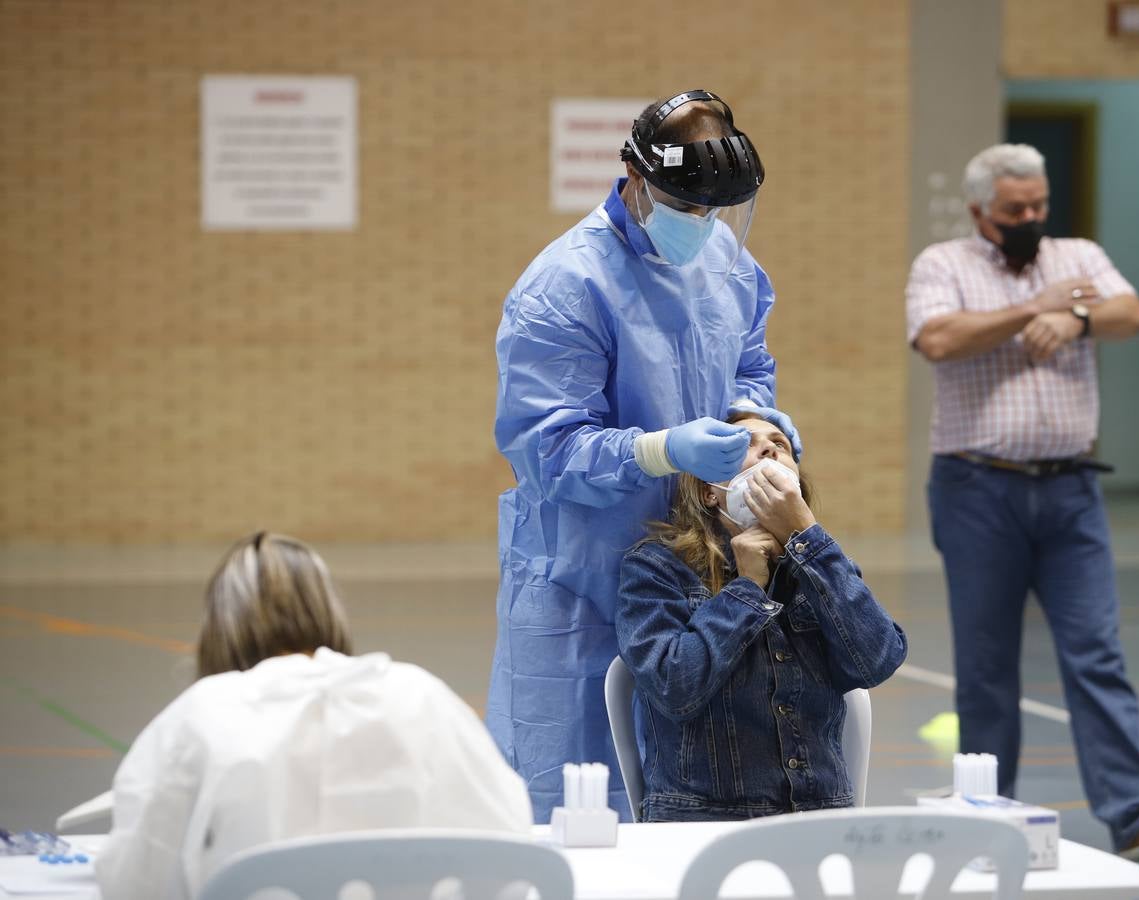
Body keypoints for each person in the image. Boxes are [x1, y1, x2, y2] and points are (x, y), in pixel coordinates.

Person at [491, 89, 801, 820]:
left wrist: (751, 416)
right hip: (584, 578)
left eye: (713, 211)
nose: (700, 225)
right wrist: (665, 449)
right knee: (572, 793)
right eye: (685, 207)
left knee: (689, 789)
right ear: (633, 176)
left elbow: (750, 360)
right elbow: (548, 448)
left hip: (696, 572)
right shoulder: (565, 286)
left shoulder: (723, 257)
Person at [905, 143, 1139, 862]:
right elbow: (938, 339)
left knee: (1096, 652)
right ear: (981, 209)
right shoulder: (941, 265)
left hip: (1072, 490)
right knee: (986, 666)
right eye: (1016, 210)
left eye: (1039, 204)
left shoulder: (1078, 257)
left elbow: (1132, 314)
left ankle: (1137, 816)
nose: (1032, 218)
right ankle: (986, 821)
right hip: (977, 488)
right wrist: (1028, 311)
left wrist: (1075, 321)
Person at [96, 532, 532, 900]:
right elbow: (511, 853)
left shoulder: (200, 715)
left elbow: (136, 883)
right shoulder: (422, 695)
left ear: (219, 629)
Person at [615, 413, 907, 821]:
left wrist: (806, 537)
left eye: (780, 444)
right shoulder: (657, 567)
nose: (770, 448)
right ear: (709, 493)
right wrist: (748, 587)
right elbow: (672, 687)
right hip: (704, 821)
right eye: (745, 444)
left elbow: (878, 659)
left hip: (817, 817)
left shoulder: (822, 567)